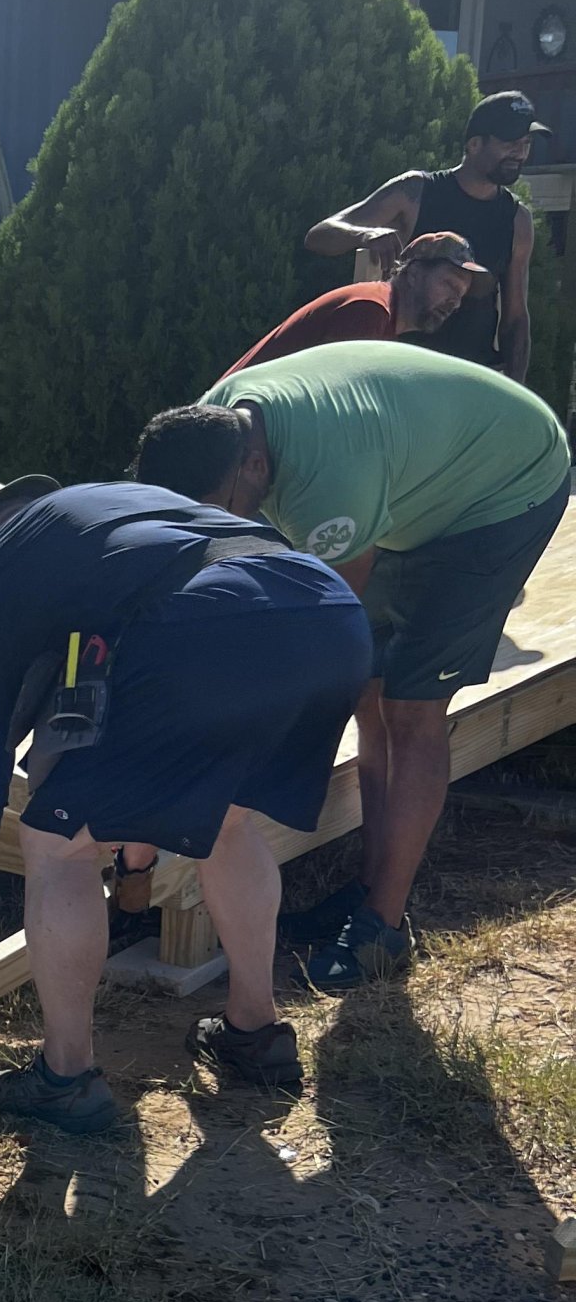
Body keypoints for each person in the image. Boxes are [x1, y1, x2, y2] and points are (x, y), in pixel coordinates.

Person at [0, 477, 373, 1134]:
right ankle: (256, 1031)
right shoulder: (108, 519)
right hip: (328, 614)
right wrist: (134, 873)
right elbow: (136, 744)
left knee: (57, 845)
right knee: (229, 819)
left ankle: (66, 1078)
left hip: (204, 623)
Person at [139, 344, 570, 987]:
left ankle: (384, 927)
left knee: (410, 706)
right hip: (410, 474)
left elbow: (327, 620)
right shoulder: (211, 428)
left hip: (505, 486)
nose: (220, 523)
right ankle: (368, 887)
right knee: (368, 692)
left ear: (255, 465)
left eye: (225, 508)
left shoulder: (326, 482)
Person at [303, 91, 550, 380]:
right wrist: (364, 234)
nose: (520, 153)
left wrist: (516, 390)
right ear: (474, 144)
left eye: (526, 143)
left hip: (470, 378)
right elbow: (319, 236)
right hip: (400, 372)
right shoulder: (416, 192)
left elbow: (516, 318)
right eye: (509, 143)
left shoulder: (517, 219)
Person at [224, 231, 491, 373]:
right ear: (414, 273)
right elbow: (332, 405)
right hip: (229, 438)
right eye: (449, 285)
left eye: (461, 294)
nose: (455, 302)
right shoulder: (369, 310)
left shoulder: (383, 324)